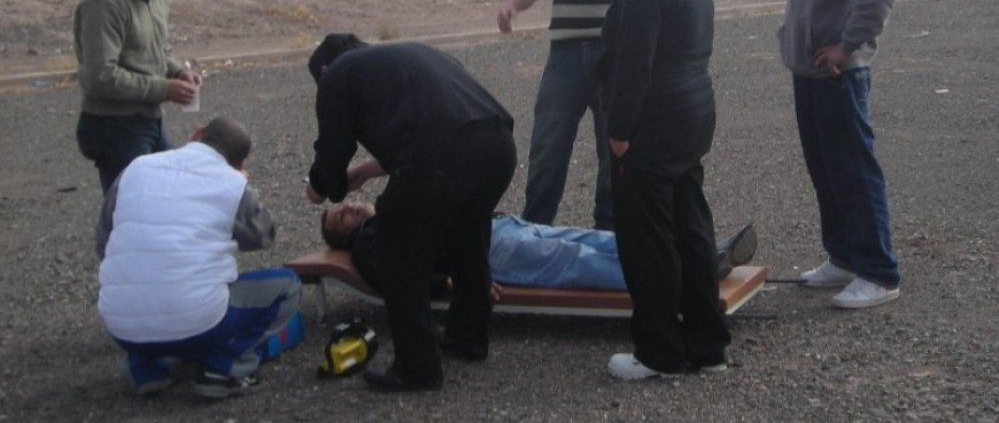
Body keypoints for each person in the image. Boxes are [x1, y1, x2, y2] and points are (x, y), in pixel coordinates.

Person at [304, 34, 517, 392]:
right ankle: (469, 337)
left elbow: (332, 152)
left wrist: (321, 186)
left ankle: (417, 369)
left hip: (442, 158)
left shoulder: (336, 74)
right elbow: (432, 122)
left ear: (324, 69)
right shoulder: (410, 55)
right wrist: (365, 173)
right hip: (498, 145)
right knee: (468, 237)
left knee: (396, 253)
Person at [753, 0, 901, 309]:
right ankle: (843, 257)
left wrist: (847, 44)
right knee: (826, 169)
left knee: (854, 169)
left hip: (838, 71)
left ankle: (878, 272)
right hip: (809, 70)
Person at [597, 0, 731, 380]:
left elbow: (635, 64)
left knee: (647, 240)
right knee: (692, 228)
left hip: (652, 123)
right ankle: (707, 344)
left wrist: (620, 130)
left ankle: (658, 352)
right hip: (693, 115)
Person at [95, 117, 302, 399]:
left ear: (196, 134)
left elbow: (104, 240)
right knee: (288, 285)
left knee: (142, 281)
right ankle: (224, 367)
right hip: (199, 323)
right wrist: (243, 189)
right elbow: (264, 236)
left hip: (120, 325)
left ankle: (146, 367)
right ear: (239, 163)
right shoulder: (232, 183)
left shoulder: (136, 168)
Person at [497, 0, 632, 230]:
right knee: (547, 145)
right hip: (565, 56)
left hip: (614, 57)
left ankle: (609, 232)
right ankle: (536, 227)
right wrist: (512, 6)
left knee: (614, 149)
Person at [320, 199, 758, 291]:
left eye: (344, 204)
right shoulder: (370, 244)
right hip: (490, 254)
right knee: (581, 261)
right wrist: (452, 282)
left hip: (503, 229)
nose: (350, 208)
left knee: (600, 240)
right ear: (344, 234)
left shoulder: (391, 209)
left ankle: (699, 253)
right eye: (341, 217)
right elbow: (396, 277)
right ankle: (686, 275)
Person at [74, 0, 202, 194]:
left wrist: (177, 71)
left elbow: (156, 47)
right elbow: (101, 77)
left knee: (171, 197)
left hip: (147, 119)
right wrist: (164, 89)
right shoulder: (104, 0)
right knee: (128, 212)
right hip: (113, 125)